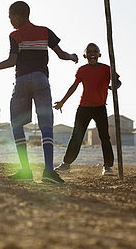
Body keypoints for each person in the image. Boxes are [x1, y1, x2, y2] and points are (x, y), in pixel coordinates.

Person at [0, 1, 78, 184]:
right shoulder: (45, 31)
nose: (10, 21)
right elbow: (61, 54)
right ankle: (49, 171)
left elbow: (12, 61)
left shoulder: (15, 35)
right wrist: (72, 57)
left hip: (21, 82)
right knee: (46, 127)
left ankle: (25, 170)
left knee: (17, 124)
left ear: (17, 17)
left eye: (10, 17)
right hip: (41, 81)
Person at [53, 43, 121, 176]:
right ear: (85, 55)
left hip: (100, 107)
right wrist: (62, 101)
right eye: (89, 51)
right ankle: (66, 164)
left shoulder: (107, 69)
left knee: (104, 137)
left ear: (99, 55)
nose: (92, 53)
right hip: (84, 107)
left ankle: (107, 167)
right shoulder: (82, 70)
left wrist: (114, 86)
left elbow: (118, 81)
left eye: (95, 51)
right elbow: (74, 87)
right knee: (76, 136)